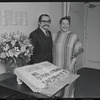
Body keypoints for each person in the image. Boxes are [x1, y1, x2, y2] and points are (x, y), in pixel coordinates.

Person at [52, 16, 84, 98]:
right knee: (56, 85)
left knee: (68, 86)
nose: (65, 25)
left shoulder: (74, 36)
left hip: (68, 65)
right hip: (56, 65)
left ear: (69, 25)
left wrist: (71, 65)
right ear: (60, 24)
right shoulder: (54, 35)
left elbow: (76, 52)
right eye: (63, 23)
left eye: (67, 24)